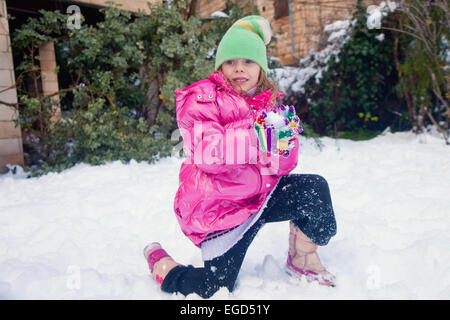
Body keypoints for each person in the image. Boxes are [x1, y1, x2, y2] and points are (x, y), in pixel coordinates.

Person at [143, 16, 337, 298]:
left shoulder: (267, 104)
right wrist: (258, 139)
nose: (239, 69)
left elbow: (282, 165)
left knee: (313, 190)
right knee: (215, 288)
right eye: (231, 62)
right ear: (220, 66)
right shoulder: (203, 98)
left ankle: (302, 260)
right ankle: (163, 266)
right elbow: (208, 153)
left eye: (248, 61)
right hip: (221, 209)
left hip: (259, 197)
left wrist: (283, 142)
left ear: (261, 68)